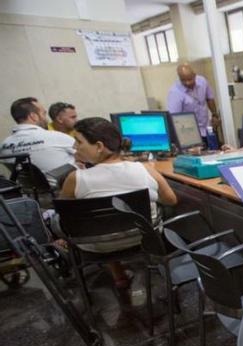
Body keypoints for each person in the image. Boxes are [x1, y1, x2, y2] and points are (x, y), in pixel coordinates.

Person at [59, 117, 177, 289]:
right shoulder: (144, 169)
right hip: (145, 240)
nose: (75, 147)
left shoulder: (75, 179)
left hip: (98, 247)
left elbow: (64, 214)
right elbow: (171, 200)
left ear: (99, 146)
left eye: (78, 142)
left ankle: (119, 277)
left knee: (103, 224)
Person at [1, 97, 76, 187]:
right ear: (33, 116)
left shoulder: (3, 145)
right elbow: (90, 155)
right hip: (66, 193)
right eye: (43, 114)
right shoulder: (56, 137)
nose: (46, 119)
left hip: (31, 195)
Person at [167, 64, 220, 140]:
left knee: (214, 149)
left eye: (190, 79)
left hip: (207, 128)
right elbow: (174, 119)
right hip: (190, 134)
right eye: (183, 80)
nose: (187, 83)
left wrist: (214, 115)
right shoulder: (174, 92)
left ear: (194, 75)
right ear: (179, 78)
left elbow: (209, 98)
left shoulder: (202, 81)